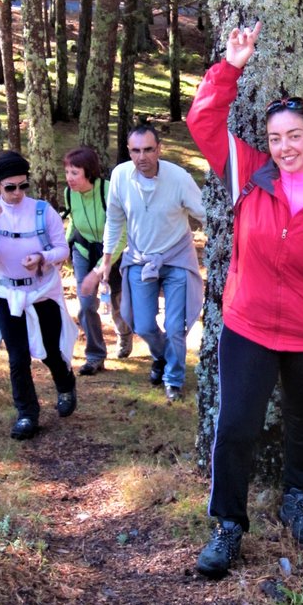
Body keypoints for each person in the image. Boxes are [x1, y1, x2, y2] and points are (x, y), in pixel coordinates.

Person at [186, 23, 303, 578]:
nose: (285, 147)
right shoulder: (249, 173)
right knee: (237, 425)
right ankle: (227, 525)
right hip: (247, 326)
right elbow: (202, 122)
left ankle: (297, 498)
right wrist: (231, 65)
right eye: (275, 138)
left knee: (302, 424)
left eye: (295, 135)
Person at [86, 123, 204, 402]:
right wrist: (105, 261)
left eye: (148, 150)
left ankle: (173, 379)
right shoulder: (120, 176)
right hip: (139, 258)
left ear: (159, 150)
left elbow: (205, 213)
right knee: (140, 322)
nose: (143, 157)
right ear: (129, 151)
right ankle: (162, 355)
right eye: (136, 151)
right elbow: (114, 220)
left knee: (176, 325)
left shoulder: (179, 178)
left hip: (176, 257)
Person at [0, 151, 78, 440]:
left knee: (49, 350)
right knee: (18, 357)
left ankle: (65, 383)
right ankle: (27, 414)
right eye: (11, 187)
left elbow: (62, 249)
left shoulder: (43, 211)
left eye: (24, 185)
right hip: (8, 294)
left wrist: (41, 257)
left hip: (42, 291)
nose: (18, 193)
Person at [63, 147, 133, 375]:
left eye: (75, 172)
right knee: (86, 305)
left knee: (117, 303)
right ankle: (95, 355)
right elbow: (74, 221)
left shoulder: (109, 191)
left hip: (113, 253)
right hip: (84, 250)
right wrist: (64, 247)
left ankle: (124, 333)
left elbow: (122, 233)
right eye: (67, 172)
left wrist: (103, 264)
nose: (69, 178)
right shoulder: (68, 193)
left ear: (89, 172)